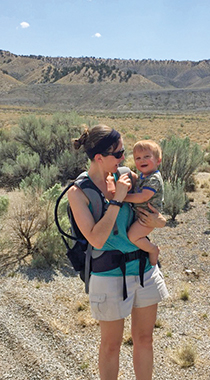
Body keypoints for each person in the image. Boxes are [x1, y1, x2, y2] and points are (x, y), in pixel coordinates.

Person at [68, 125, 169, 380]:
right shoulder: (78, 193)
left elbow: (151, 208)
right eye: (119, 153)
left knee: (145, 339)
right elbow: (97, 239)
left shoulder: (127, 176)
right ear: (99, 157)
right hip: (108, 274)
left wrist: (161, 222)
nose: (124, 158)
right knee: (111, 345)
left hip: (144, 269)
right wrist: (116, 200)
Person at [125, 140, 164, 266]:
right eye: (138, 158)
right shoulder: (143, 176)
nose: (142, 160)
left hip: (148, 217)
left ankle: (153, 251)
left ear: (158, 160)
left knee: (133, 236)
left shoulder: (153, 178)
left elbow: (143, 197)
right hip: (142, 215)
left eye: (147, 157)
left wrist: (123, 197)